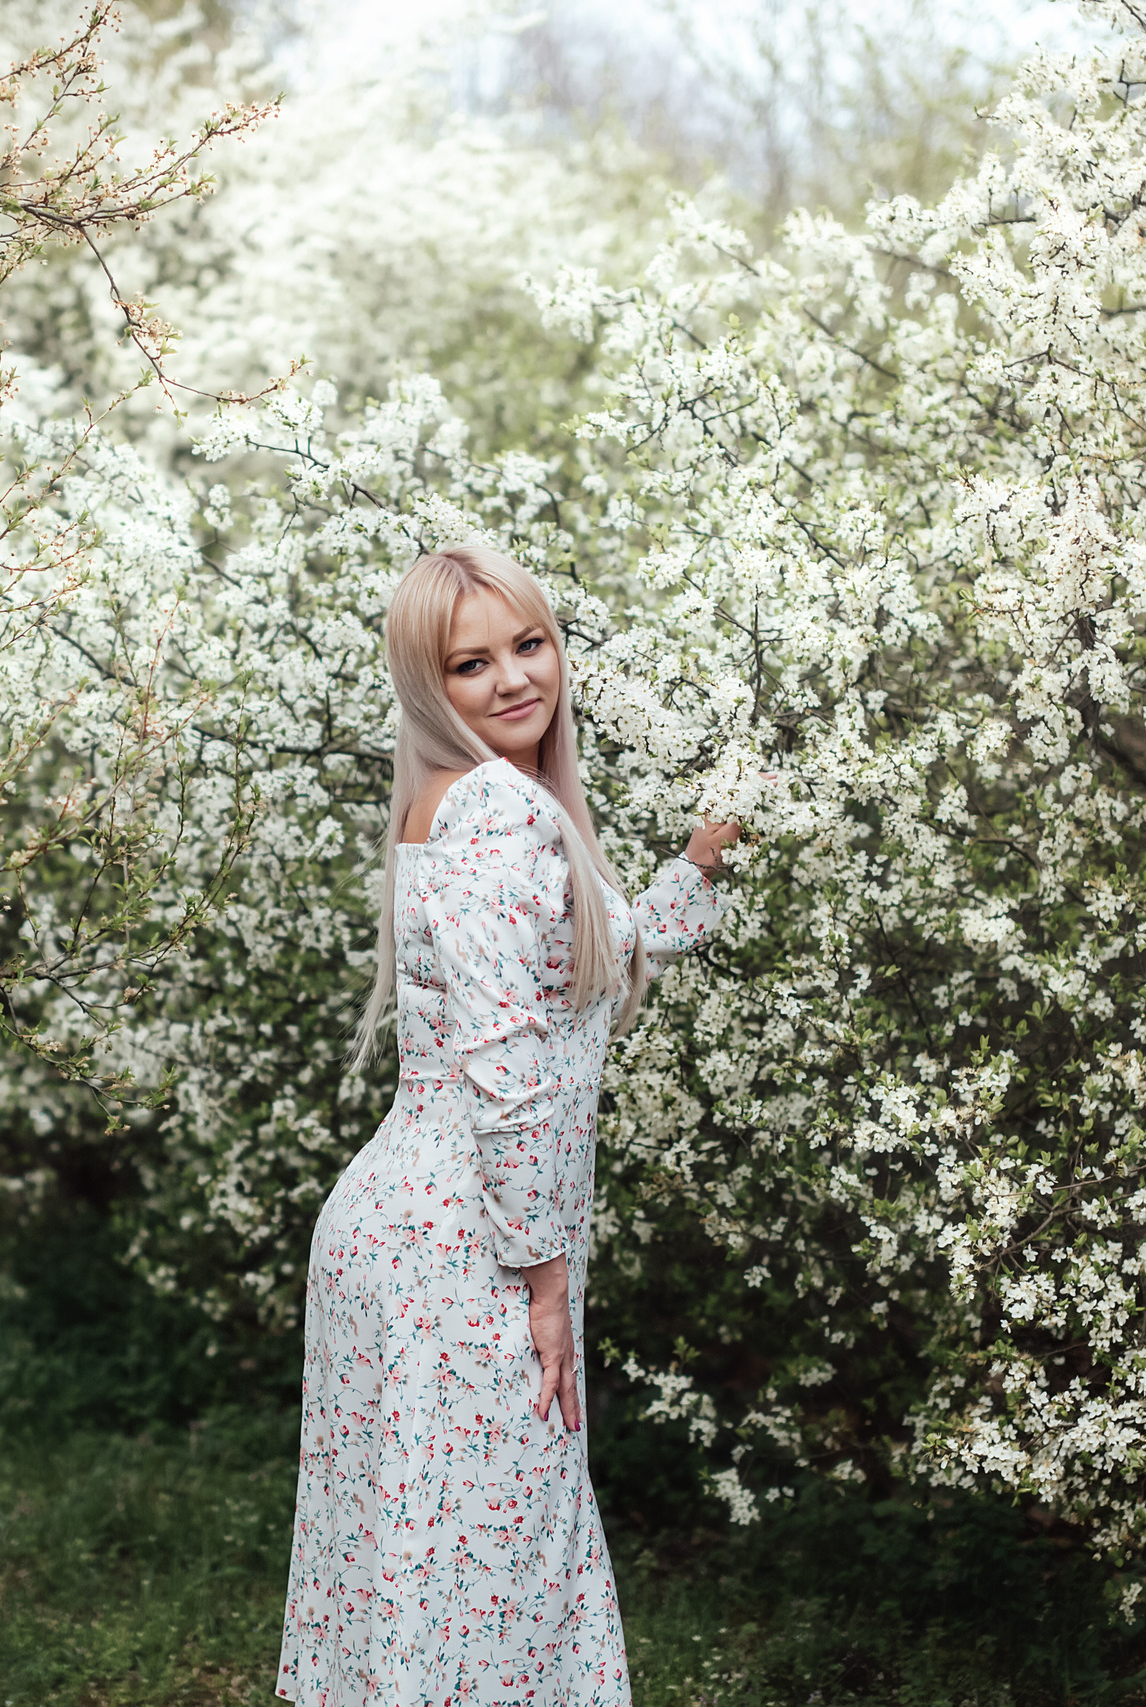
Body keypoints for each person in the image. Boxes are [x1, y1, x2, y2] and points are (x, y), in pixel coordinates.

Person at [276, 543, 738, 1707]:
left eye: (527, 644)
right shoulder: (493, 809)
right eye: (470, 664)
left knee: (430, 1571)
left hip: (423, 1228)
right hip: (462, 1248)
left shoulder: (475, 801)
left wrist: (696, 863)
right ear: (429, 686)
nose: (514, 678)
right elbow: (506, 1069)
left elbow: (586, 956)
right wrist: (542, 1278)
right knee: (494, 1576)